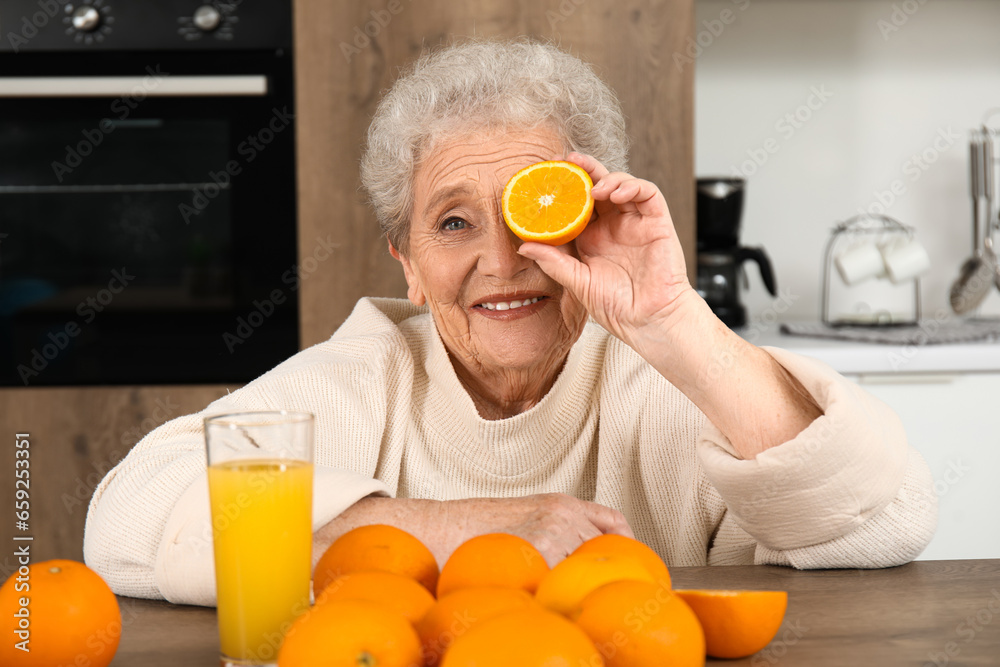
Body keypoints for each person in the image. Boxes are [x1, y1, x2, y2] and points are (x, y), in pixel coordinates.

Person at [85, 39, 936, 606]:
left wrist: (679, 323)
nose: (504, 258)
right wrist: (454, 525)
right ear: (409, 265)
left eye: (535, 215)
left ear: (584, 218)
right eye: (453, 222)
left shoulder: (662, 381)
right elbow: (123, 523)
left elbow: (887, 517)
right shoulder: (365, 375)